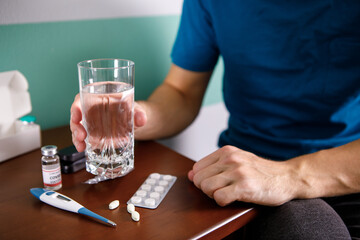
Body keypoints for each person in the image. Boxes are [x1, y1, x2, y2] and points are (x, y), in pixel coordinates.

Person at [70, 0, 360, 239]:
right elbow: (180, 92)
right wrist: (133, 118)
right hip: (238, 176)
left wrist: (288, 176)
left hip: (341, 178)